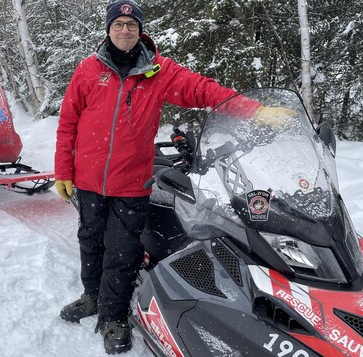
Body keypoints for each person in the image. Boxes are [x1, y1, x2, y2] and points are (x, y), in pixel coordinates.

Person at [54, 0, 292, 354]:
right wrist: (63, 170)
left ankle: (114, 315)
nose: (124, 31)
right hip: (88, 180)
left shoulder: (157, 70)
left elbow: (204, 90)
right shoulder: (89, 69)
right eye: (118, 24)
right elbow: (68, 122)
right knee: (91, 242)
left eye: (131, 26)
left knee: (123, 251)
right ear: (108, 29)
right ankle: (92, 295)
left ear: (140, 31)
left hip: (131, 182)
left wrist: (254, 111)